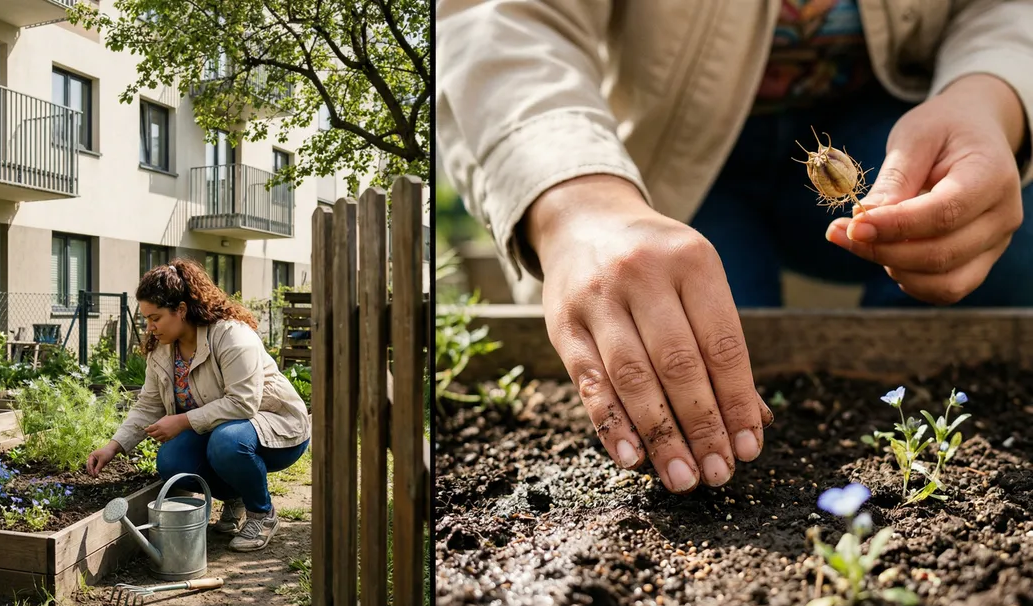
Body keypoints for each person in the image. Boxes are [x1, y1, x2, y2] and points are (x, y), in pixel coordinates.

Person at [436, 0, 1033, 494]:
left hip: (902, 119)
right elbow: (500, 18)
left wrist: (993, 94)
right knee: (694, 368)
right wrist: (576, 201)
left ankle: (912, 417)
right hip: (673, 148)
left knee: (1007, 229)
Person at [86, 259, 311, 551]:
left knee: (226, 442)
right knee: (171, 460)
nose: (150, 327)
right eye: (146, 319)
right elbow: (148, 405)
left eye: (155, 318)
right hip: (222, 430)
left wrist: (181, 421)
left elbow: (243, 404)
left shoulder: (231, 336)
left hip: (277, 428)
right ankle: (236, 497)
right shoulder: (162, 351)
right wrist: (113, 446)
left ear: (181, 309)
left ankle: (262, 513)